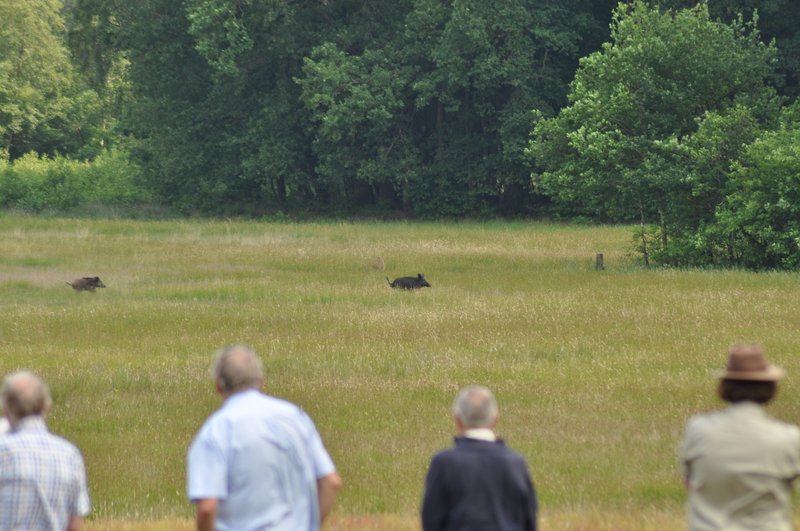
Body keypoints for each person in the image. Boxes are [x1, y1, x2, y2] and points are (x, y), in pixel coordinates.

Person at [187, 344, 342, 531]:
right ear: (260, 381)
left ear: (219, 386)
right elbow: (331, 482)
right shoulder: (295, 418)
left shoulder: (216, 430)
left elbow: (207, 508)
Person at [680, 343, 800, 530]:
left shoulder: (698, 430)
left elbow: (689, 482)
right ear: (770, 388)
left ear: (724, 386)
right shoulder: (788, 438)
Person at [421, 385, 538, 531]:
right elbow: (529, 520)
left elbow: (431, 520)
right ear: (495, 418)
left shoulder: (443, 464)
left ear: (457, 419)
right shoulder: (516, 463)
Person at [0, 370, 91, 531]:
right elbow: (74, 526)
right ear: (46, 405)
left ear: (6, 408)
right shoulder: (70, 455)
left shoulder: (4, 451)